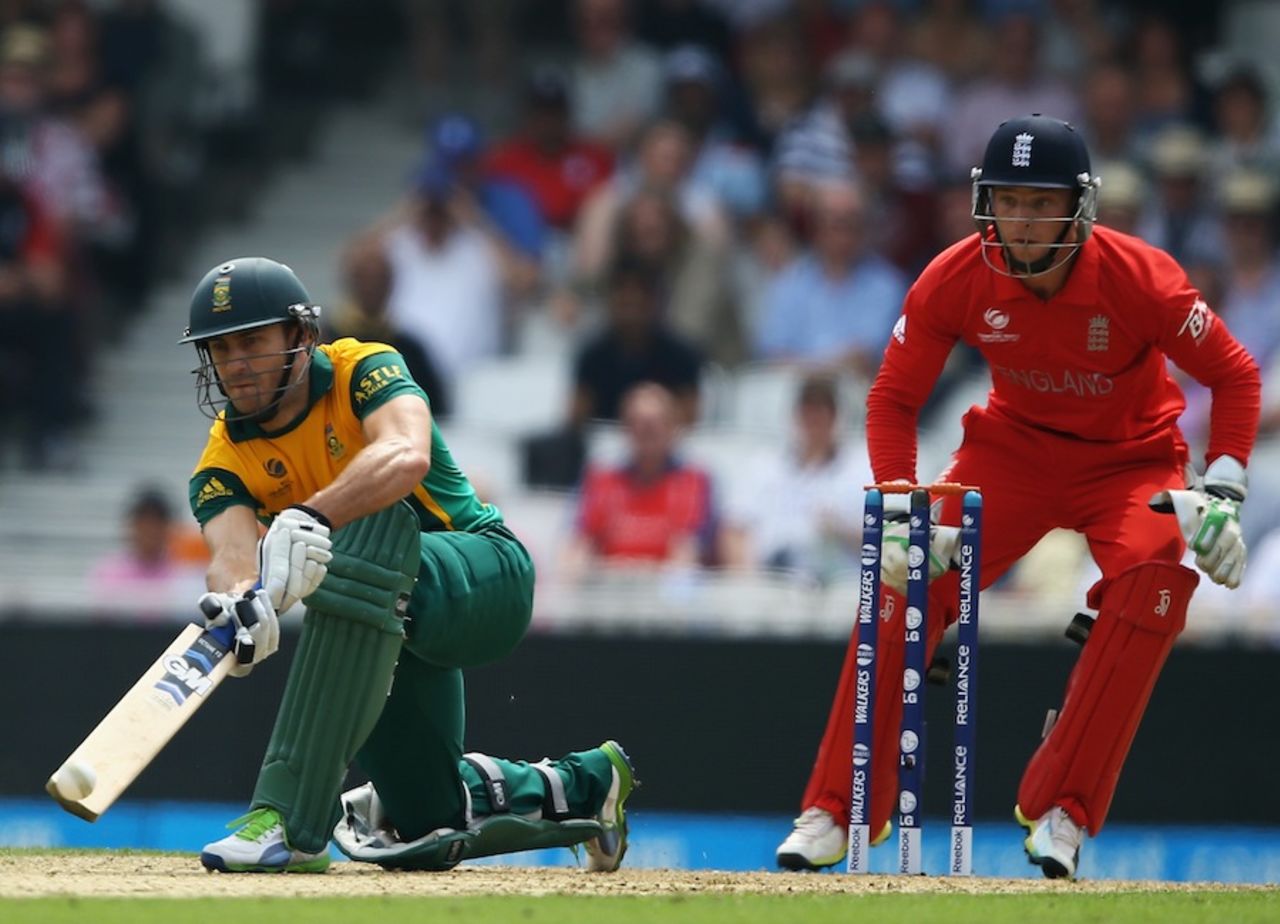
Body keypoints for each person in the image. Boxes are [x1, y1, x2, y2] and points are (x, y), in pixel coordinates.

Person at [774, 115, 1261, 880]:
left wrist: (1224, 487)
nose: (1023, 221)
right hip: (1012, 452)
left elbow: (1234, 375)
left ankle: (1063, 808)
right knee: (903, 576)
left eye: (1041, 203)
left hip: (1129, 460)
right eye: (1008, 201)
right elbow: (892, 399)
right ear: (986, 203)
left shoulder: (1141, 277)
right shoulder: (957, 275)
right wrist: (899, 506)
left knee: (1156, 578)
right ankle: (838, 808)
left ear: (1079, 206)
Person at [178, 256, 636, 873]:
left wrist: (311, 515)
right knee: (427, 819)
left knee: (351, 561)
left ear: (301, 335)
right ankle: (586, 784)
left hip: (482, 574)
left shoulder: (363, 369)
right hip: (382, 628)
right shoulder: (224, 455)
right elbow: (231, 554)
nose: (236, 364)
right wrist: (241, 603)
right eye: (221, 348)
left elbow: (405, 453)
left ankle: (287, 820)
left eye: (252, 342)